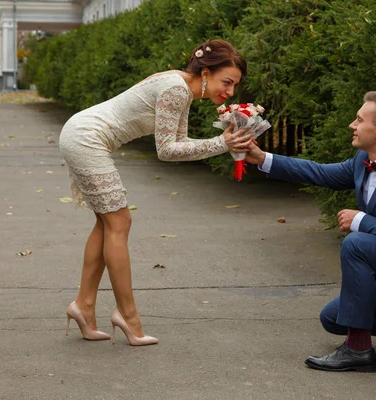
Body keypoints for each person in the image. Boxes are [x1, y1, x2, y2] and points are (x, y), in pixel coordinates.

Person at [244, 91, 376, 372]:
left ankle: (358, 350)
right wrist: (261, 158)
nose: (351, 125)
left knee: (356, 243)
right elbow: (319, 172)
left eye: (359, 119)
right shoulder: (363, 160)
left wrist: (362, 220)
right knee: (333, 319)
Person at [60, 40, 252, 346]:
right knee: (120, 223)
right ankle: (128, 316)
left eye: (234, 86)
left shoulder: (182, 88)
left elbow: (179, 142)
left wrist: (222, 142)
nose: (230, 92)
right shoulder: (177, 90)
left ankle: (83, 306)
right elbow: (167, 151)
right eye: (226, 82)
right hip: (86, 138)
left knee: (107, 224)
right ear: (205, 72)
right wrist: (221, 144)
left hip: (80, 133)